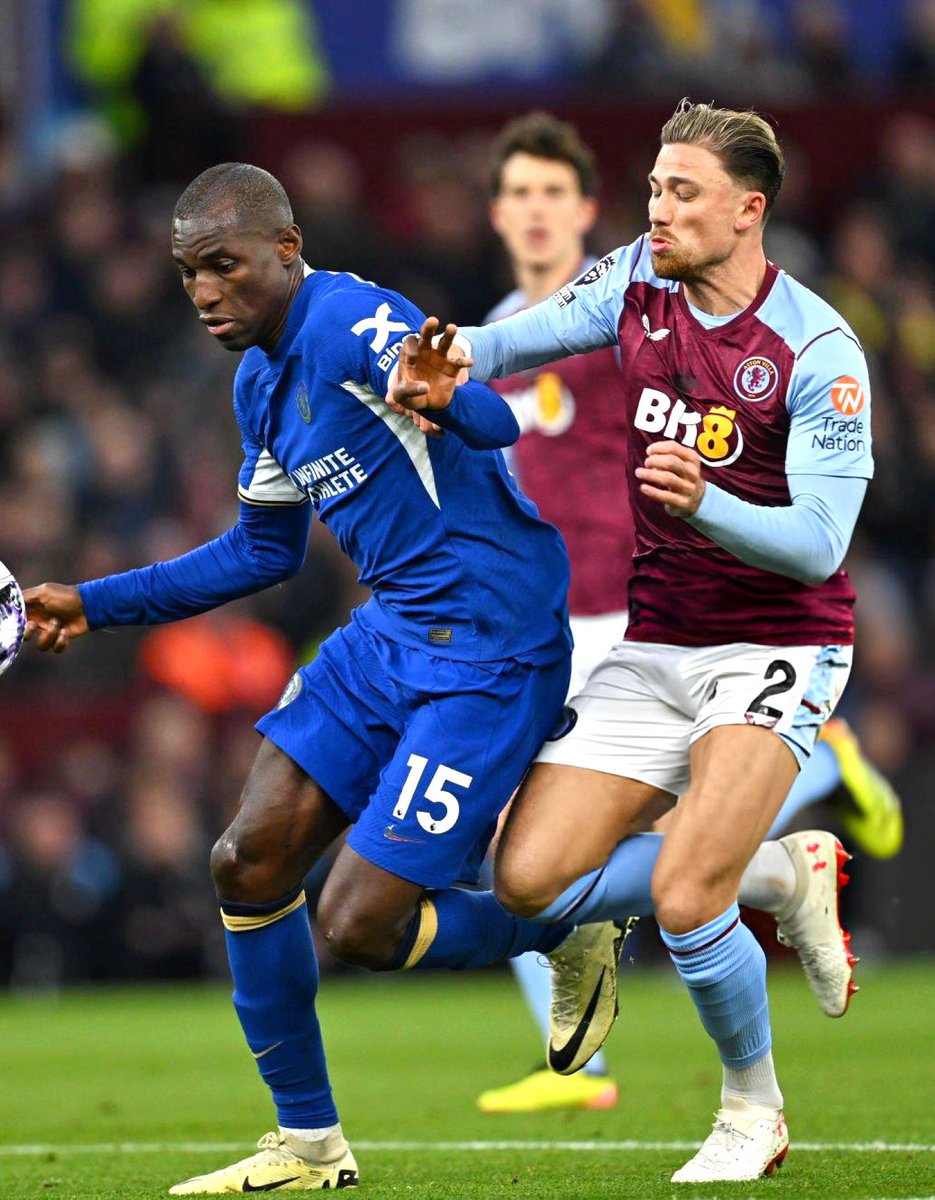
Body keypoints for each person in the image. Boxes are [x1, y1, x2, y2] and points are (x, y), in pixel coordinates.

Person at [23, 161, 626, 1194]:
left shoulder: (351, 320)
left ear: (286, 251)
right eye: (187, 274)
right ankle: (308, 1146)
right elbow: (261, 553)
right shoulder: (258, 382)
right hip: (390, 633)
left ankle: (570, 920)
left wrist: (448, 396)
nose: (206, 292)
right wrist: (95, 599)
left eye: (224, 265)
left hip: (489, 642)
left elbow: (490, 420)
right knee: (247, 863)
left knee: (358, 926)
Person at [390, 99, 874, 1183]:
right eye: (653, 186)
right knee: (523, 879)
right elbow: (522, 335)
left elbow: (818, 544)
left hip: (774, 645)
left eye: (682, 191)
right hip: (655, 646)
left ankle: (751, 1111)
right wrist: (448, 359)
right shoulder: (636, 283)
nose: (657, 208)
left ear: (747, 211)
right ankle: (784, 877)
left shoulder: (817, 351)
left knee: (683, 893)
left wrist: (705, 504)